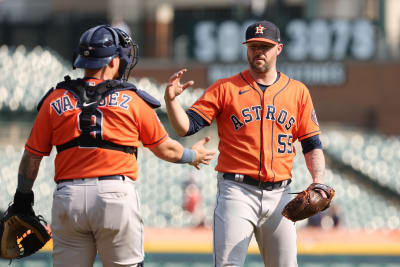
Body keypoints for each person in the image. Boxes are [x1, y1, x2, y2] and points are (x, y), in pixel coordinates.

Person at [12, 25, 215, 267]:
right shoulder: (132, 99)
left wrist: (23, 199)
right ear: (111, 62)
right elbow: (166, 149)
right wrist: (193, 155)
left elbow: (31, 158)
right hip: (115, 195)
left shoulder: (55, 99)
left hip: (69, 198)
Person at [164, 20, 326, 267]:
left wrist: (318, 180)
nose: (258, 51)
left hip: (281, 193)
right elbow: (186, 127)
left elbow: (312, 144)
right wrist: (172, 102)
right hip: (237, 192)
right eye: (253, 46)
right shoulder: (225, 88)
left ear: (278, 49)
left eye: (265, 46)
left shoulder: (297, 92)